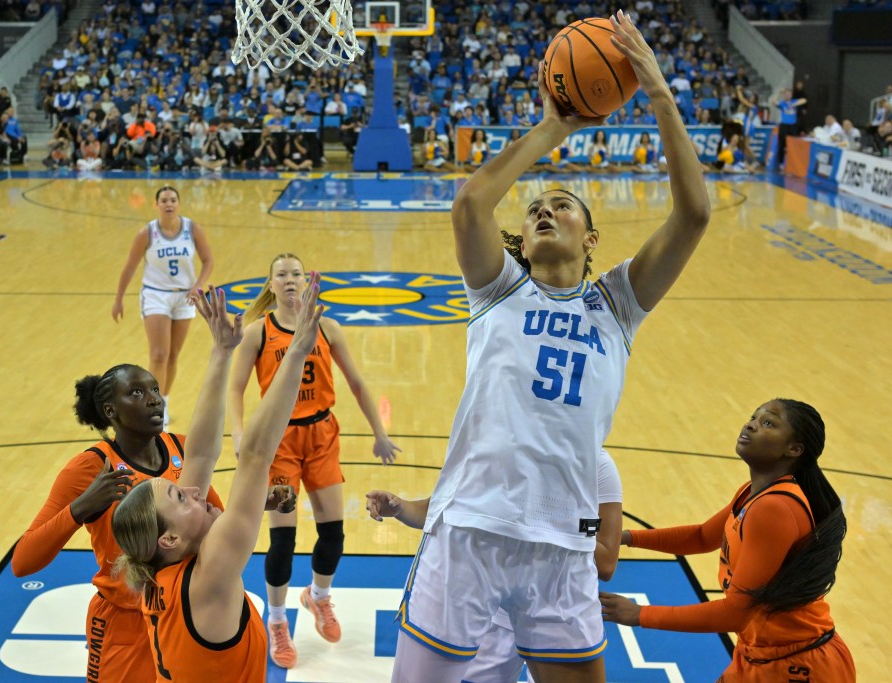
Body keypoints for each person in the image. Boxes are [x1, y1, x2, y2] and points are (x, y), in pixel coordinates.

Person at [391, 11, 710, 683]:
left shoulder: (616, 305)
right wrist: (555, 125)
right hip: (470, 530)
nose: (544, 210)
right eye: (536, 209)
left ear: (593, 239)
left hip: (562, 546)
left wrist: (655, 88)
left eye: (562, 206)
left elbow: (694, 214)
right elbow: (470, 207)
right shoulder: (498, 289)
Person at [11, 287, 255, 682]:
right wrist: (80, 510)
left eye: (156, 390)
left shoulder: (182, 450)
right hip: (123, 625)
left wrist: (259, 504)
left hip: (178, 610)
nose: (155, 400)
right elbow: (23, 561)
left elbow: (217, 524)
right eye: (138, 393)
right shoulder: (88, 469)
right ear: (111, 411)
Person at [111, 278, 323, 682]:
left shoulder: (168, 564)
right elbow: (257, 456)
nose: (194, 489)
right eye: (180, 497)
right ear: (169, 538)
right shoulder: (209, 573)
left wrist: (222, 352)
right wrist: (296, 352)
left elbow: (202, 455)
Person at [601, 399, 855, 682]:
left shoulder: (776, 508)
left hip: (798, 664)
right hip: (758, 652)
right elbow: (700, 537)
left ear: (794, 449)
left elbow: (736, 613)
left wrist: (640, 615)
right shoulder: (752, 492)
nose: (751, 424)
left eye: (768, 423)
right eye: (754, 417)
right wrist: (623, 537)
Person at [230, 254, 401, 669]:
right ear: (271, 284)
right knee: (283, 541)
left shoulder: (328, 327)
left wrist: (379, 432)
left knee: (334, 535)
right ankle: (276, 622)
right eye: (282, 275)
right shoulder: (258, 332)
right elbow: (233, 389)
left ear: (308, 282)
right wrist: (238, 433)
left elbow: (358, 383)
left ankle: (318, 597)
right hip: (279, 439)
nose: (290, 280)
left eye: (296, 274)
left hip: (323, 435)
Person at [367, 449, 622, 683]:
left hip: (554, 608)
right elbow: (448, 510)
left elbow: (607, 563)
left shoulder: (598, 464)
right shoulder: (498, 446)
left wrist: (554, 527)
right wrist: (402, 508)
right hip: (492, 613)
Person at [112, 186, 213, 427]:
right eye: (164, 200)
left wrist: (198, 285)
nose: (169, 204)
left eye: (173, 200)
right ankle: (152, 407)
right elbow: (130, 266)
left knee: (173, 355)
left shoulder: (192, 229)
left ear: (179, 204)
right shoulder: (146, 233)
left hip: (184, 297)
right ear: (156, 204)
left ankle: (163, 402)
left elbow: (208, 260)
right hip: (156, 295)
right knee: (159, 354)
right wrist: (119, 298)